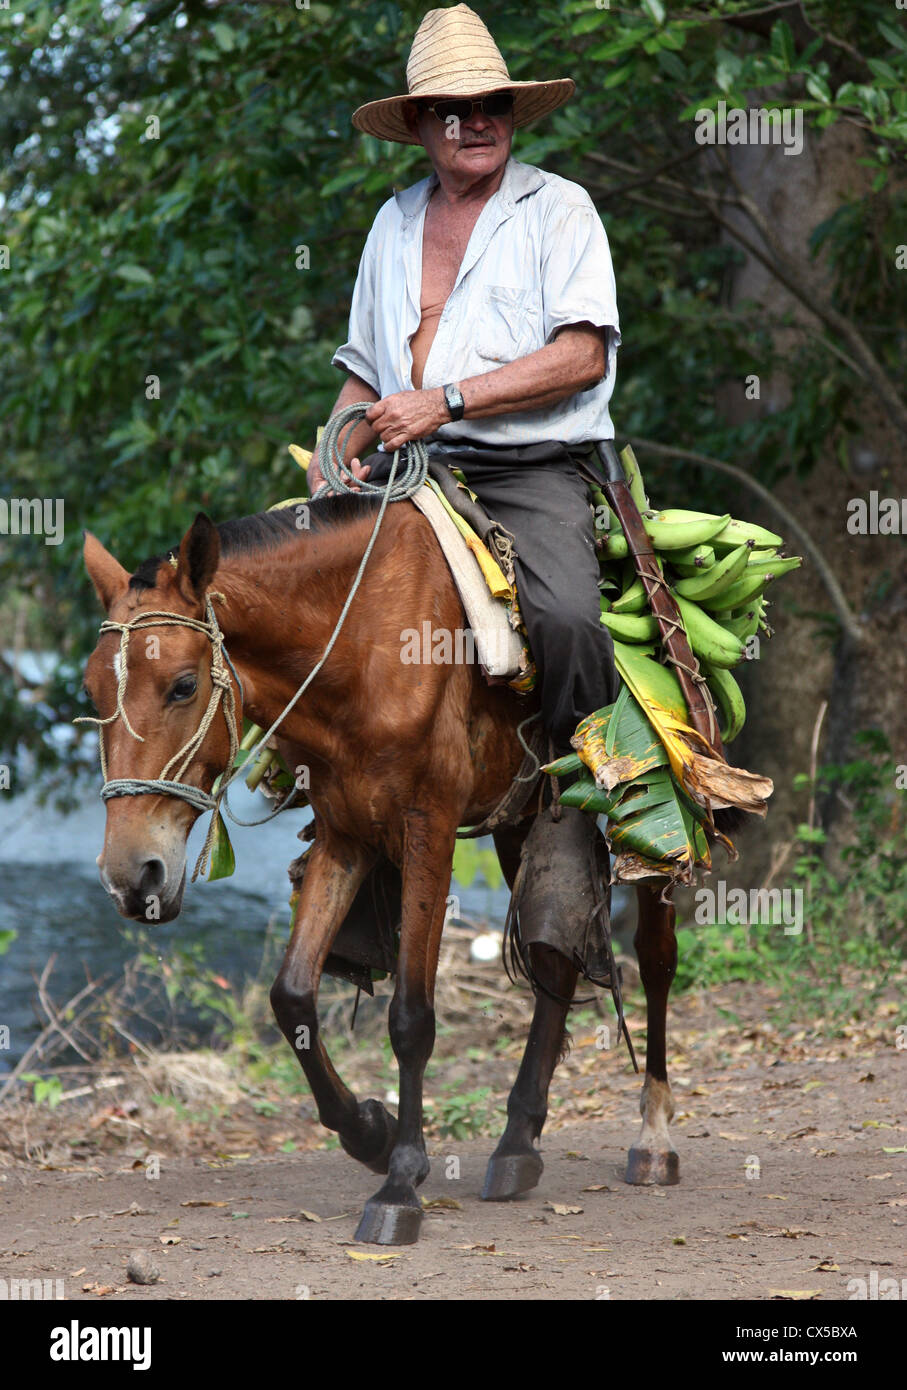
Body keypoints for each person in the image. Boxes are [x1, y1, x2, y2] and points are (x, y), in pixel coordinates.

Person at [308, 3, 622, 982]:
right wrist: (335, 448)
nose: (472, 122)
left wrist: (442, 400)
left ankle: (575, 839)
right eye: (449, 110)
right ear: (417, 126)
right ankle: (349, 857)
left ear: (510, 114)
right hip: (409, 470)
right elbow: (367, 375)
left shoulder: (558, 208)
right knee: (282, 601)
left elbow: (577, 355)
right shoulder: (391, 224)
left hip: (530, 466)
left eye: (488, 105)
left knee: (569, 616)